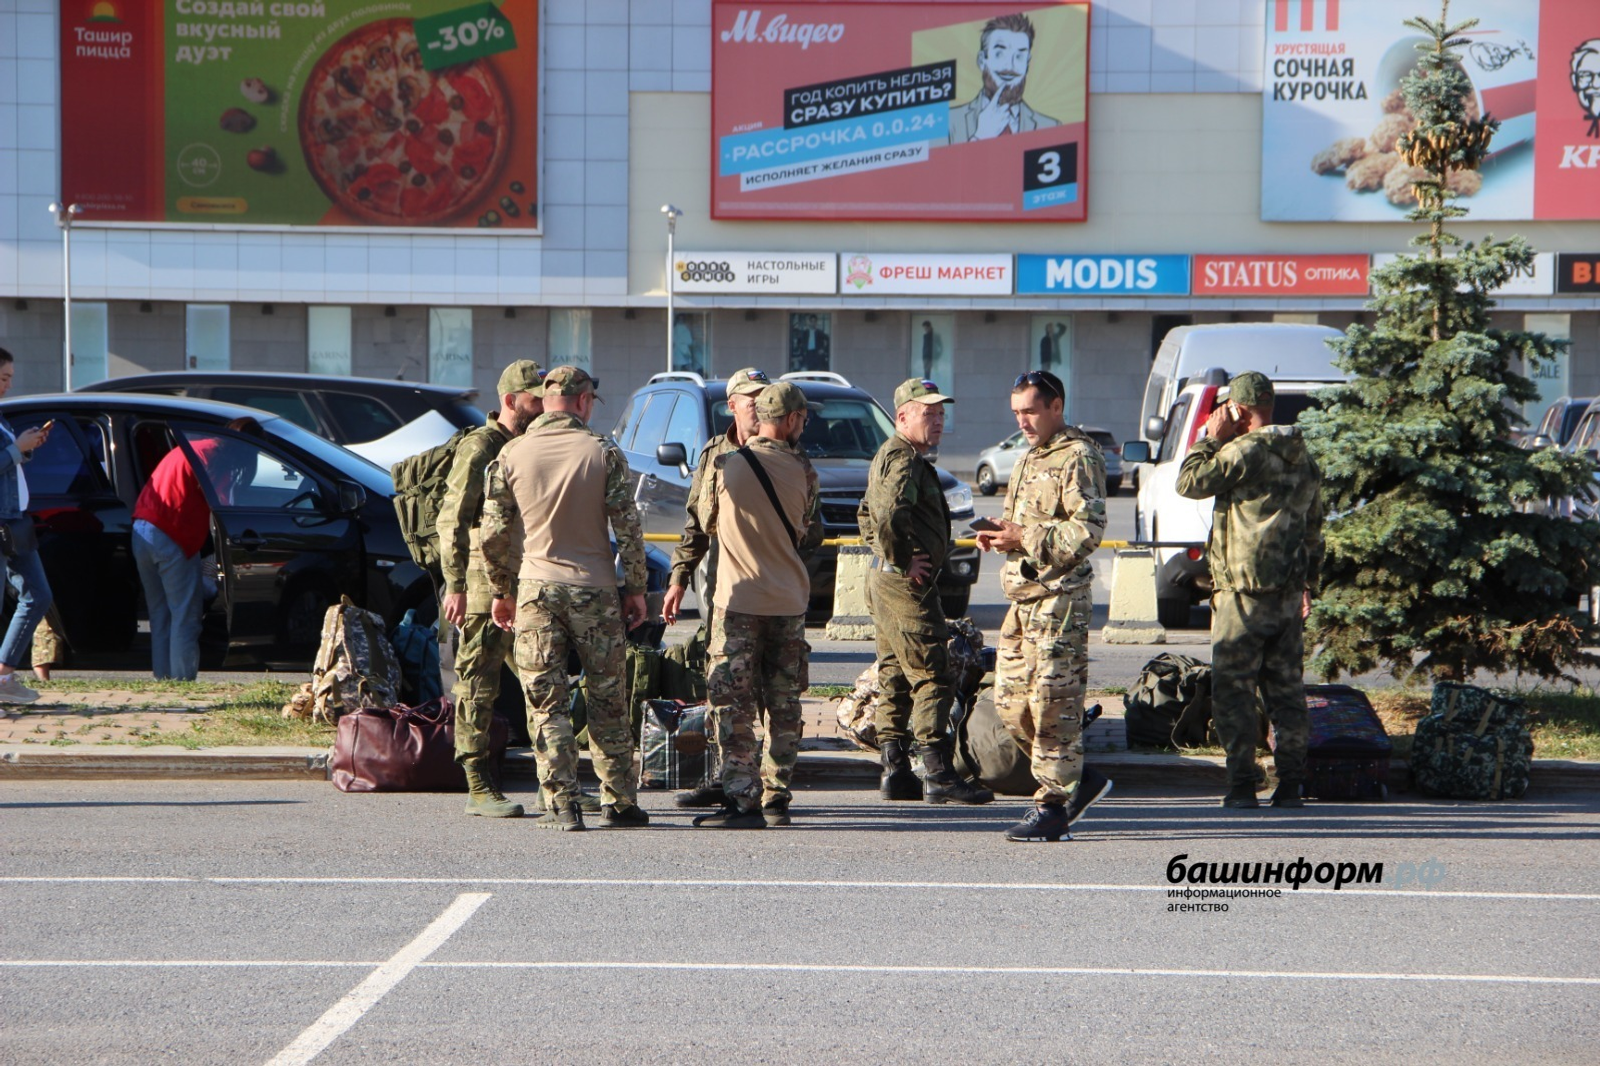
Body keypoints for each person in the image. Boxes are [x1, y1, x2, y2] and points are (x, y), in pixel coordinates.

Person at [480, 366, 650, 832]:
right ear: (582, 401)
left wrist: (502, 591)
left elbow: (492, 534)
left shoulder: (513, 452)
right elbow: (628, 528)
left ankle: (563, 804)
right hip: (595, 590)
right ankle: (619, 801)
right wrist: (636, 587)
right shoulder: (603, 452)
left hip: (536, 589)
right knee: (608, 697)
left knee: (546, 701)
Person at [1175, 372, 1323, 809]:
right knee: (1286, 693)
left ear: (1237, 410)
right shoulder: (1303, 457)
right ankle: (1291, 784)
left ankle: (1242, 786)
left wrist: (1209, 438)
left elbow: (1188, 483)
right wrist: (1307, 585)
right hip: (1286, 594)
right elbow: (1314, 530)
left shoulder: (1242, 451)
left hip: (1242, 596)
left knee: (1234, 692)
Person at [975, 370, 1110, 842]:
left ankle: (1053, 806)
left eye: (1030, 411)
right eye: (1016, 413)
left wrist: (1024, 537)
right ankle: (1077, 778)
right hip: (1023, 599)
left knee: (1053, 705)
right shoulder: (1030, 456)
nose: (1023, 421)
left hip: (1060, 601)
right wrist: (1002, 534)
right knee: (1011, 706)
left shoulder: (1079, 455)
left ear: (1056, 406)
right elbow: (1028, 524)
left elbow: (1088, 530)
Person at [693, 381, 822, 829]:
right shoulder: (805, 470)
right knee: (784, 702)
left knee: (733, 704)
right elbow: (806, 529)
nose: (804, 425)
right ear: (788, 420)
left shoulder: (727, 465)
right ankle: (777, 793)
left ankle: (741, 796)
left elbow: (704, 518)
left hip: (739, 601)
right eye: (803, 418)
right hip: (789, 601)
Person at [859, 378, 992, 806]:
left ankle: (895, 770)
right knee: (933, 672)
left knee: (895, 673)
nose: (937, 421)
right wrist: (901, 559)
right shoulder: (904, 460)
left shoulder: (893, 455)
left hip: (885, 581)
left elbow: (865, 513)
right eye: (927, 413)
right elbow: (887, 512)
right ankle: (938, 772)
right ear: (903, 417)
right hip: (905, 586)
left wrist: (885, 557)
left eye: (940, 414)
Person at [437, 359, 545, 820]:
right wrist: (456, 584)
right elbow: (452, 518)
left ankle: (552, 780)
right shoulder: (482, 447)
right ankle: (478, 782)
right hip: (483, 588)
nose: (541, 406)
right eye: (534, 399)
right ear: (509, 400)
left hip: (525, 583)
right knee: (478, 685)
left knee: (541, 680)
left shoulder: (527, 446)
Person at [662, 366, 772, 809]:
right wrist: (678, 579)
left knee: (767, 686)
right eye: (751, 399)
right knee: (722, 683)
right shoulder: (714, 454)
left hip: (769, 590)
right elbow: (695, 525)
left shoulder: (780, 451)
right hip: (722, 589)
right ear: (732, 405)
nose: (759, 406)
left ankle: (765, 782)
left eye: (765, 398)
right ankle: (725, 775)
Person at [131, 416, 259, 681]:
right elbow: (225, 507)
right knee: (185, 615)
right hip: (172, 535)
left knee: (160, 613)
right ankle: (182, 682)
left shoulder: (194, 448)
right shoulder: (217, 459)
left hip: (141, 530)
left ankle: (163, 679)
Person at [0, 347, 53, 707]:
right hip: (4, 521)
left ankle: (3, 675)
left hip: (14, 520)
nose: (8, 385)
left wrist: (26, 447)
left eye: (11, 379)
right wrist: (18, 448)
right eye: (4, 377)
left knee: (37, 595)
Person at [948, 13, 1060, 144]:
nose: (1010, 65)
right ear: (982, 60)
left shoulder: (1051, 126)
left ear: (1027, 64)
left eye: (1019, 56)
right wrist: (981, 136)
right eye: (999, 54)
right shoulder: (948, 122)